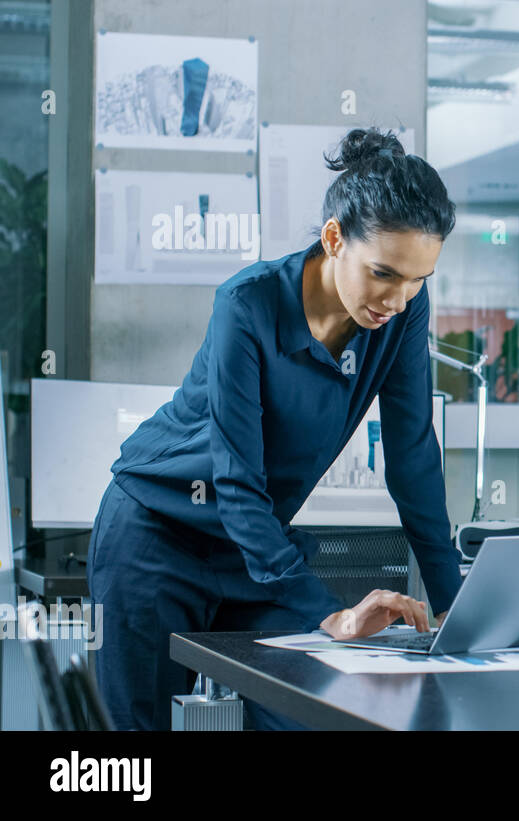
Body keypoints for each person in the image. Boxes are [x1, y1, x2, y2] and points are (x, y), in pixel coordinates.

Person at [87, 127, 462, 730]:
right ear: (334, 238)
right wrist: (328, 614)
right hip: (155, 535)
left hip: (254, 551)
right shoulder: (248, 305)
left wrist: (454, 605)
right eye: (386, 273)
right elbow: (237, 481)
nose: (399, 298)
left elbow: (413, 454)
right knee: (137, 749)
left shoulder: (402, 312)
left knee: (308, 715)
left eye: (420, 278)